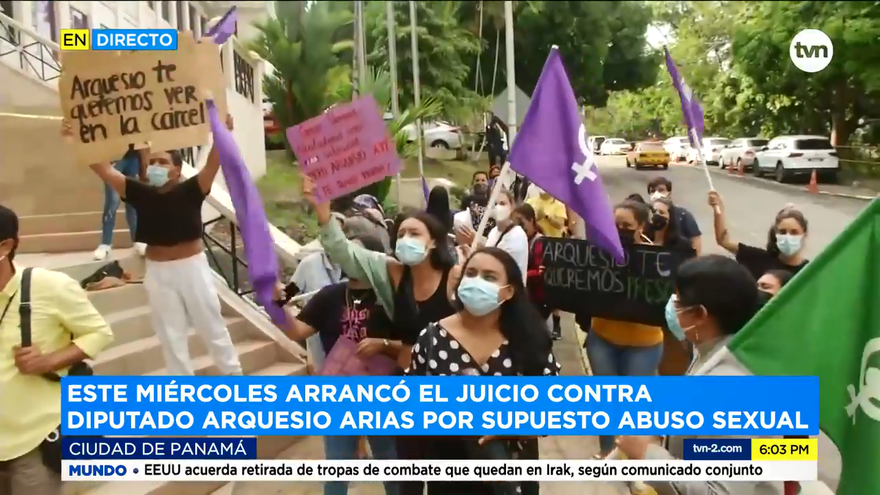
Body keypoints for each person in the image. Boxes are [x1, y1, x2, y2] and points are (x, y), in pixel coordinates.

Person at [66, 115, 243, 376]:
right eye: (152, 162)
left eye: (163, 162)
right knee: (170, 334)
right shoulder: (140, 192)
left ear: (177, 170)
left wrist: (222, 132)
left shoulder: (192, 188)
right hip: (158, 272)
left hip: (192, 269)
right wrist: (78, 139)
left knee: (211, 324)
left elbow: (213, 162)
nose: (155, 166)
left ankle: (234, 376)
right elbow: (105, 170)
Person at [614, 255, 782, 495]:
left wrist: (648, 455)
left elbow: (720, 491)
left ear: (700, 314)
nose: (672, 307)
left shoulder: (728, 388)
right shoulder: (710, 352)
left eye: (678, 301)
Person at [407, 247, 560, 495]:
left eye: (489, 277)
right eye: (471, 273)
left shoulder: (531, 339)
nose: (477, 282)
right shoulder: (432, 338)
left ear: (508, 291)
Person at [0, 204, 113, 495]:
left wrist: (48, 361)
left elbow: (99, 333)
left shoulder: (49, 286)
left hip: (33, 440)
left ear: (5, 246)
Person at [275, 234, 398, 495]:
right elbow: (297, 331)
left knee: (391, 463)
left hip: (384, 396)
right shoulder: (329, 295)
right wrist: (276, 305)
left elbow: (413, 342)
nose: (346, 258)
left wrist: (384, 344)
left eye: (355, 253)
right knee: (337, 465)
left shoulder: (391, 297)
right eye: (344, 251)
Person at [587, 200, 664, 457]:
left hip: (644, 344)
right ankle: (607, 450)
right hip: (602, 337)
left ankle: (631, 455)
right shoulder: (599, 252)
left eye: (626, 225)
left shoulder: (658, 260)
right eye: (615, 224)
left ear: (641, 226)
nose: (620, 230)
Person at [282, 212, 347, 371]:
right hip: (316, 334)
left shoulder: (348, 264)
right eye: (329, 233)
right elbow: (289, 293)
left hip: (344, 334)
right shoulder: (309, 264)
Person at [708, 191, 810, 280]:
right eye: (782, 232)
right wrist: (718, 209)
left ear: (804, 234)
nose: (788, 237)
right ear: (775, 234)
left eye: (794, 232)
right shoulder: (759, 259)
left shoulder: (810, 271)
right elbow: (723, 241)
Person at [93, 148, 147, 260]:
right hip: (114, 156)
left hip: (133, 155)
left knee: (133, 201)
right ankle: (105, 243)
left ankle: (137, 240)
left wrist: (143, 161)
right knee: (112, 202)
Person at [482, 189, 529, 283]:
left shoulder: (517, 235)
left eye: (502, 203)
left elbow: (501, 264)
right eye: (495, 204)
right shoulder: (493, 232)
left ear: (512, 207)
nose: (498, 207)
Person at [647, 177, 702, 255]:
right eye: (652, 191)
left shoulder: (683, 215)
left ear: (669, 193)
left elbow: (696, 243)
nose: (656, 194)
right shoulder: (645, 215)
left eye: (661, 190)